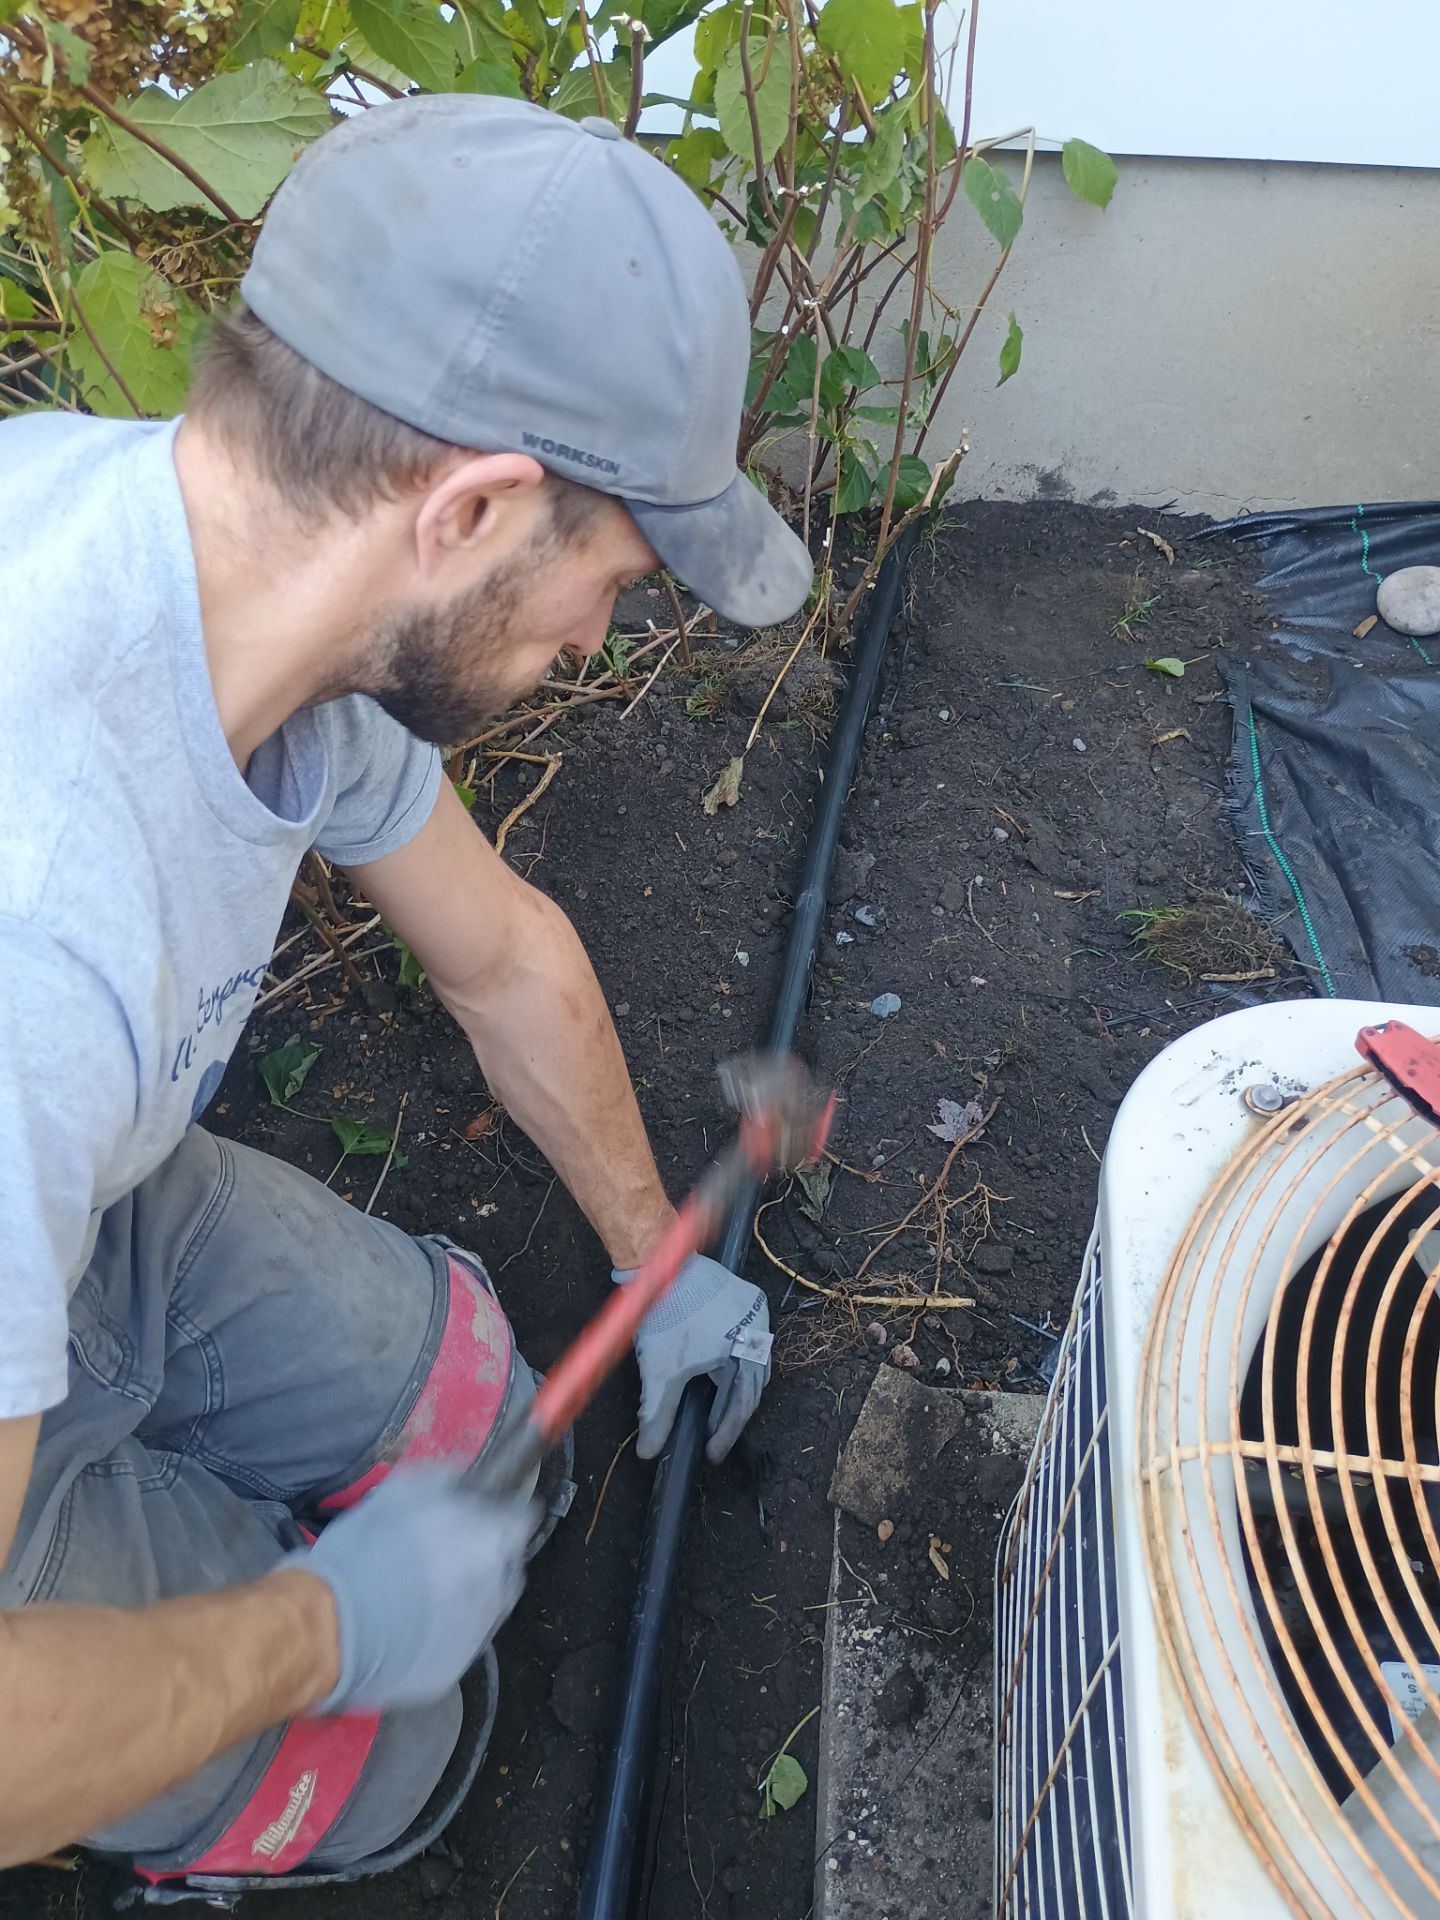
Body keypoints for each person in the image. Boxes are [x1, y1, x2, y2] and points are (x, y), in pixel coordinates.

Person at [0, 94, 812, 1889]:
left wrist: (653, 1263)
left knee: (477, 1414)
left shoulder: (255, 591)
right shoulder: (36, 941)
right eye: (610, 579)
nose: (596, 638)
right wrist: (318, 1631)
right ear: (472, 509)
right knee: (387, 1747)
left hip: (84, 1213)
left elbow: (502, 954)